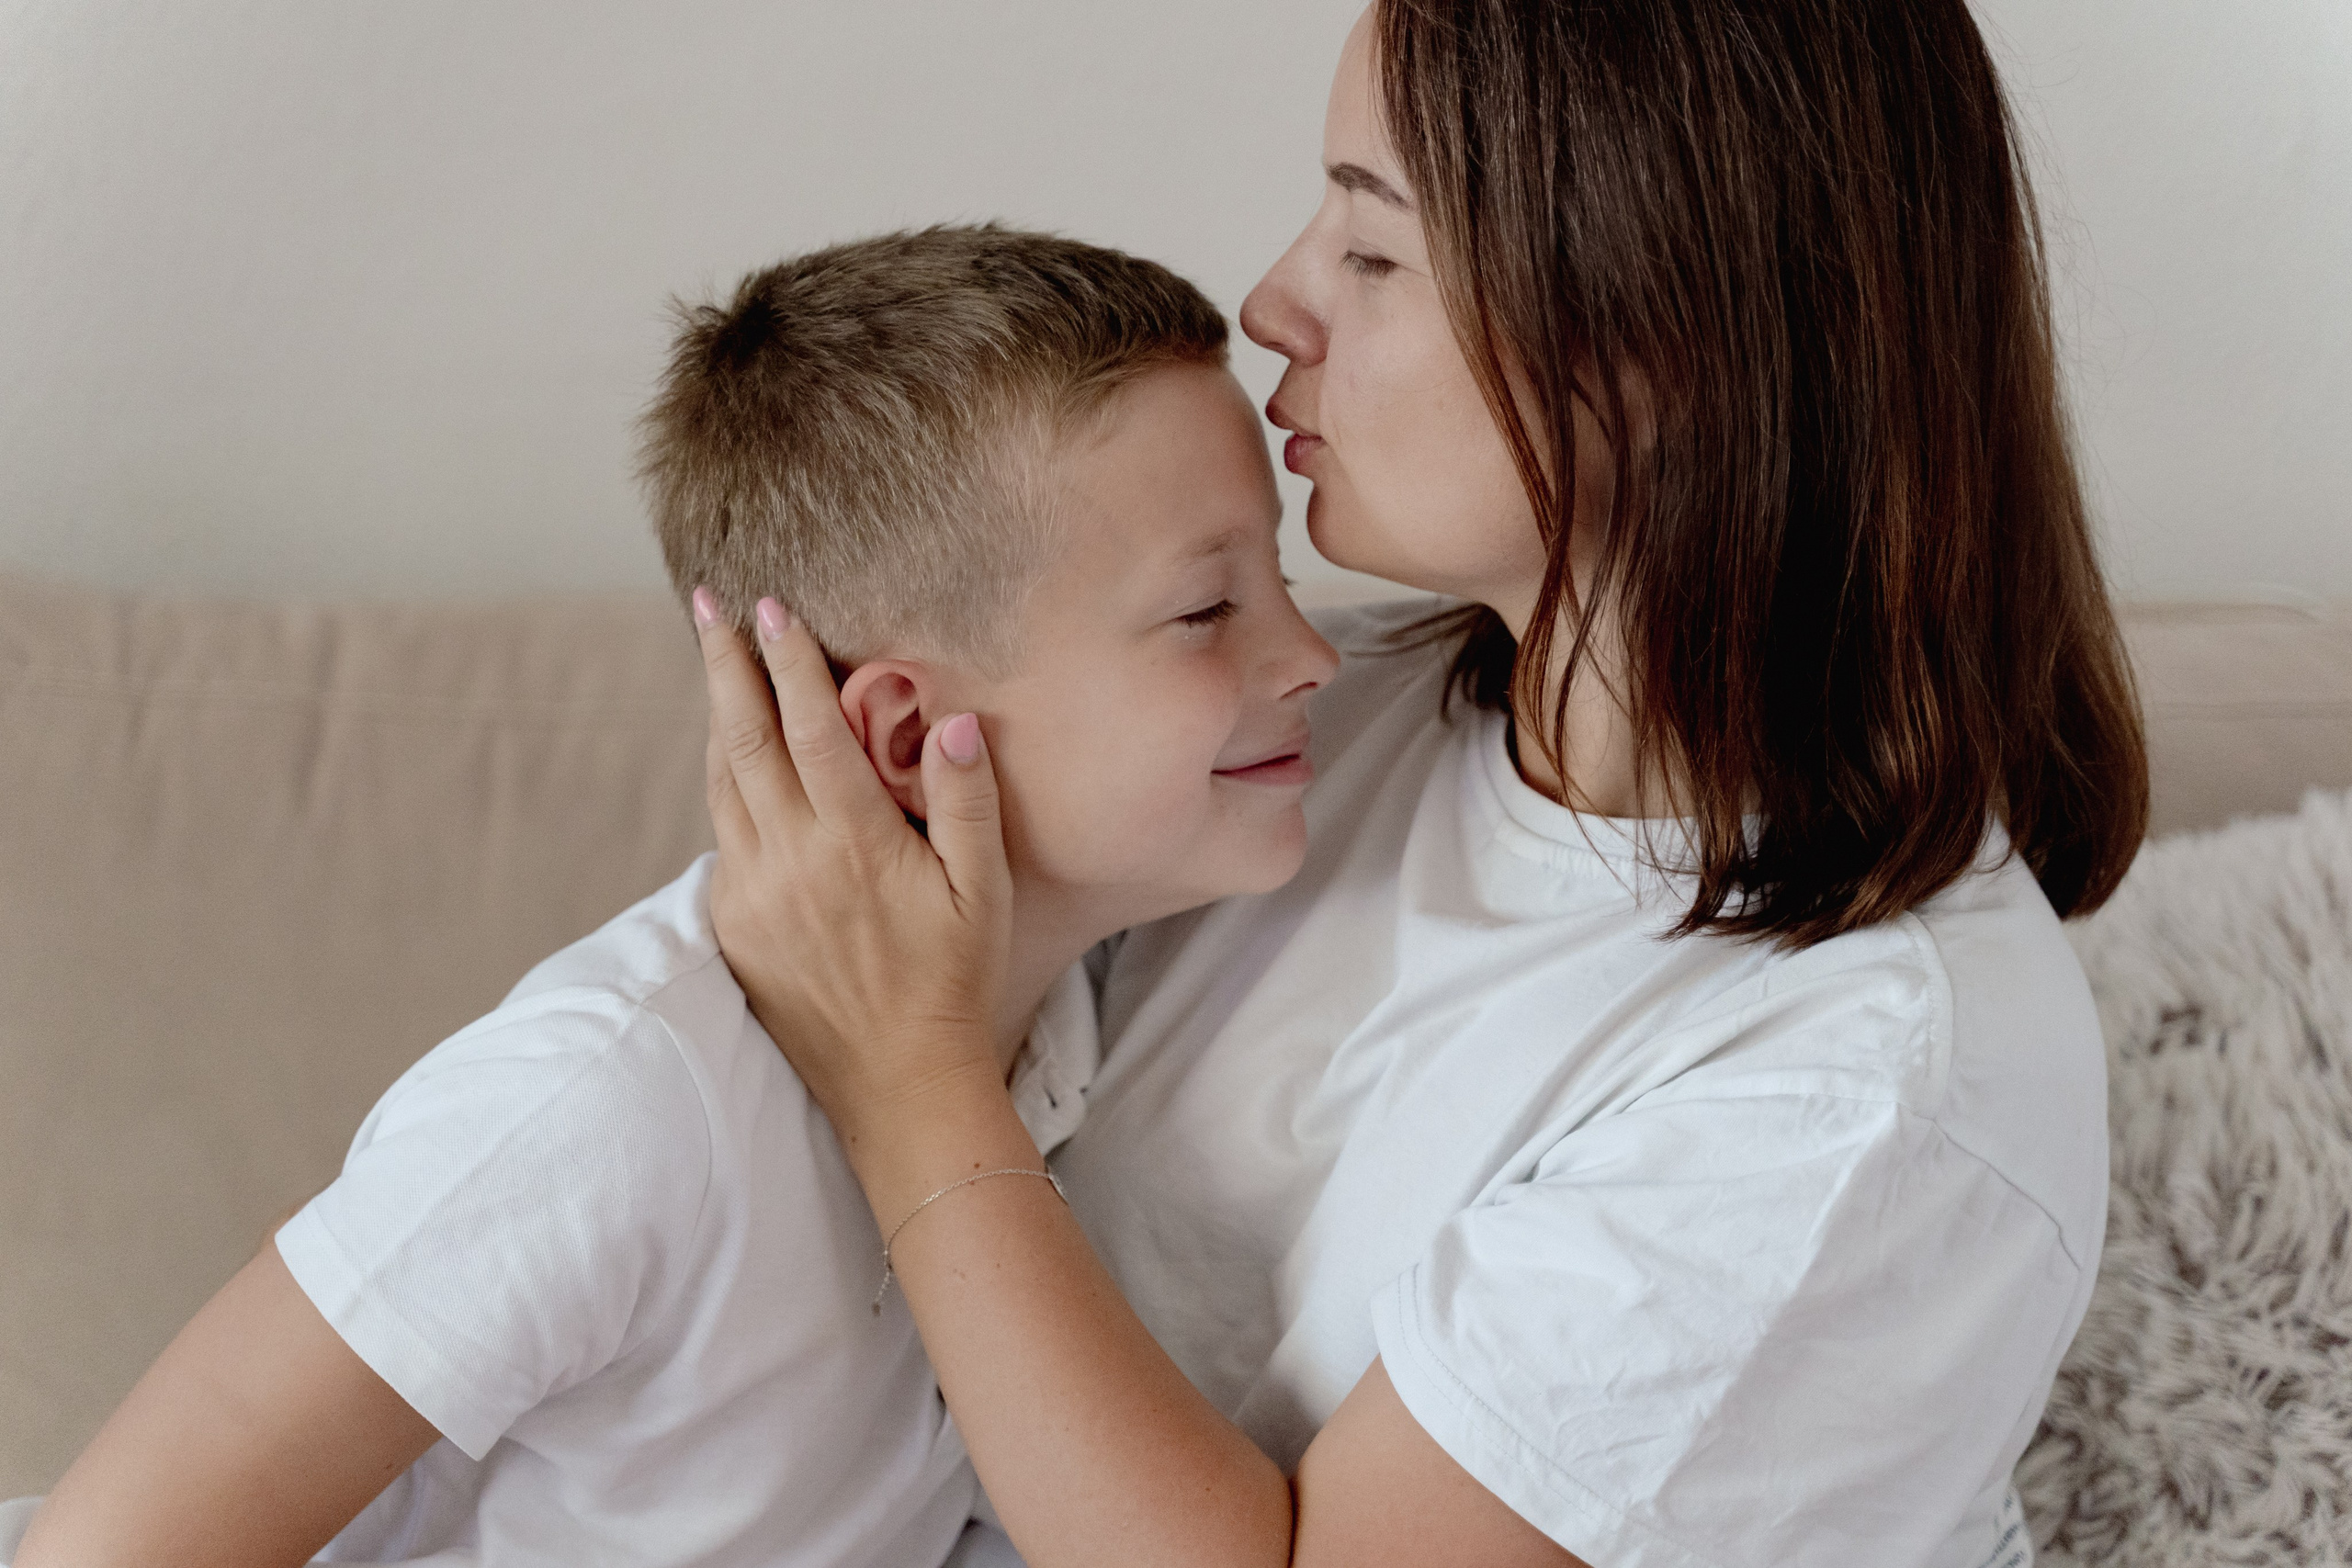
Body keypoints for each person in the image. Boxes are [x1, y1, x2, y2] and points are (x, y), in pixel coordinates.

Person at [693, 4, 2150, 1566]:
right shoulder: (1324, 714)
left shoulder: (1865, 1090)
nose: (1272, 303)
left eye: (1372, 254)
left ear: (1667, 331)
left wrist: (914, 1092)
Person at [11, 226, 1338, 1568]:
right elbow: (107, 1549)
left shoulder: (1072, 1036)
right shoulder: (614, 1101)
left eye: (1278, 578)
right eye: (1206, 610)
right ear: (902, 738)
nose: (1313, 654)